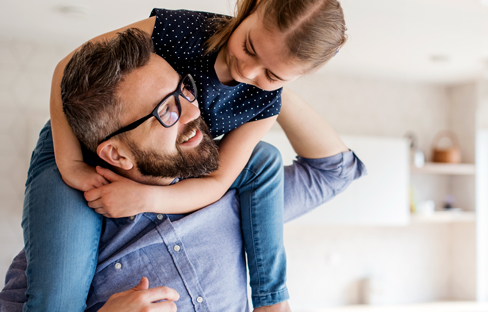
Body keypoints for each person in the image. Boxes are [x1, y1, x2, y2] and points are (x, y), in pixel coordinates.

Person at [0, 29, 366, 311]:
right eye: (166, 113)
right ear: (116, 153)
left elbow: (336, 171)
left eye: (185, 91)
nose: (193, 114)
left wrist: (264, 78)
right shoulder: (60, 243)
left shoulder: (240, 197)